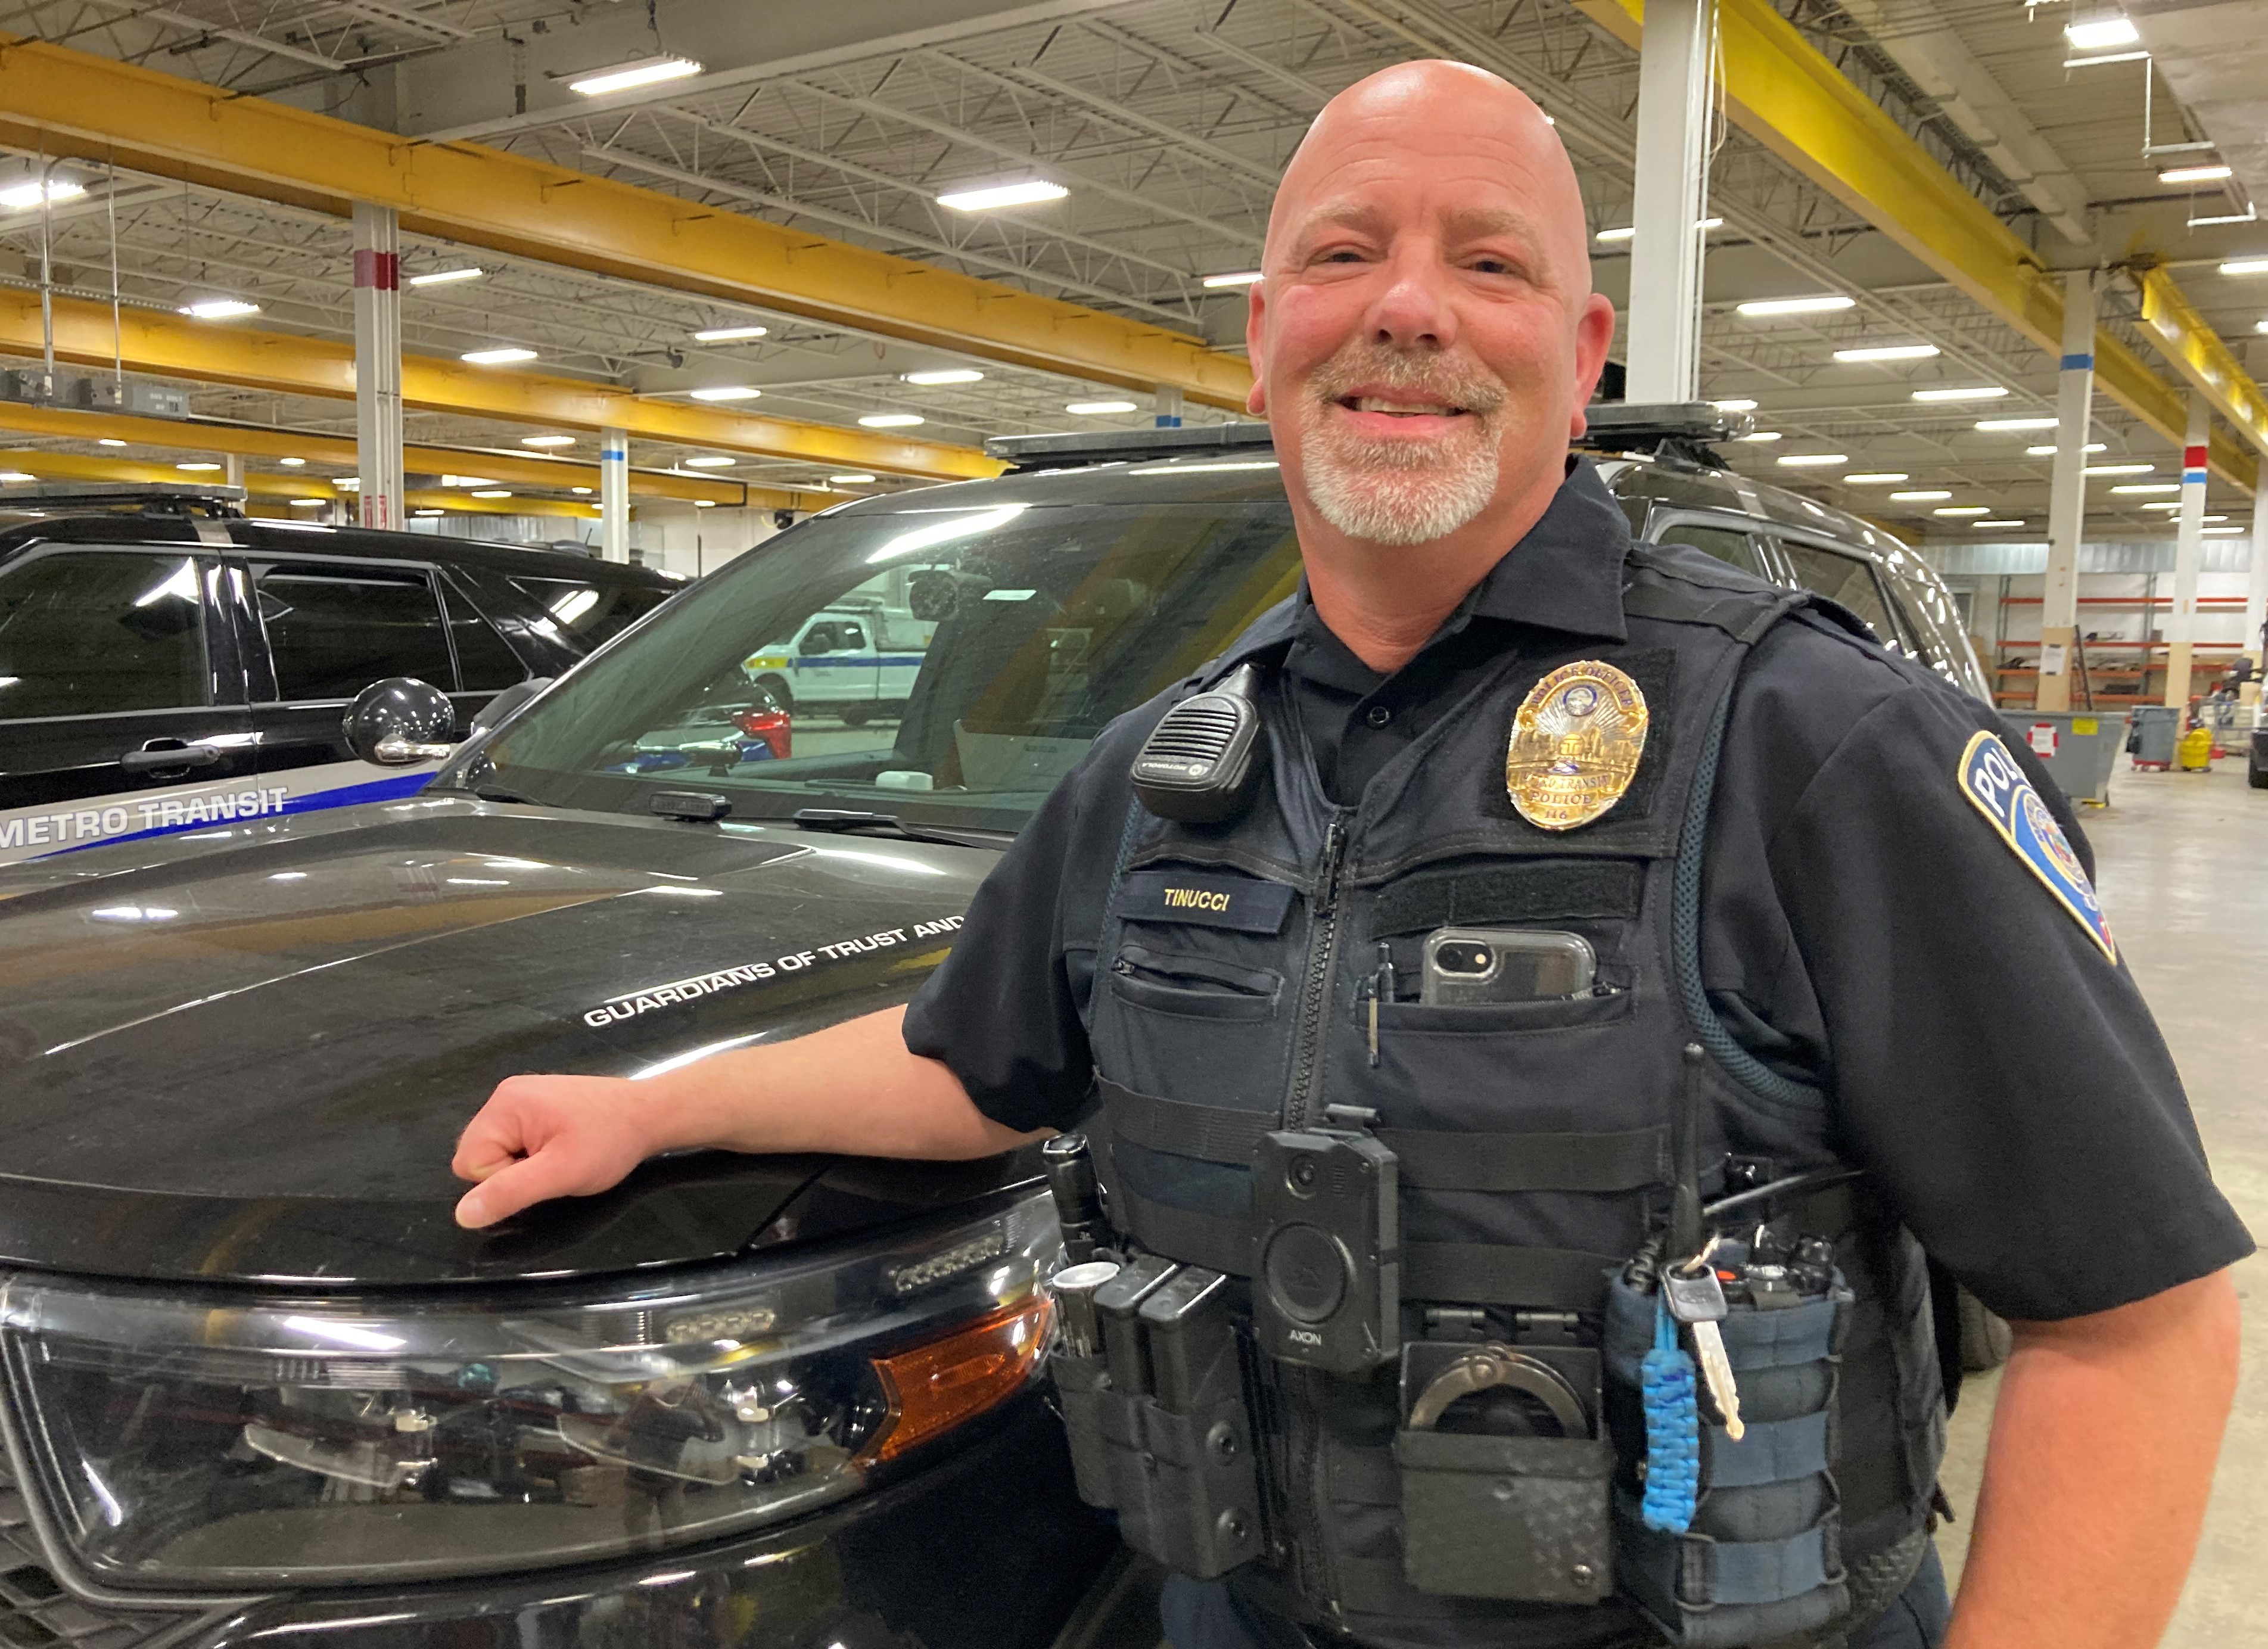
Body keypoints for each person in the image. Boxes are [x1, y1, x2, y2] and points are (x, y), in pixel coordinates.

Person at [452, 61, 2246, 1649]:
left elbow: (2133, 1330)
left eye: (1488, 259)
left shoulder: (1816, 746)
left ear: (1583, 348)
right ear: (1260, 336)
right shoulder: (1170, 770)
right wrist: (652, 1111)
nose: (1408, 308)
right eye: (1341, 254)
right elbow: (968, 1069)